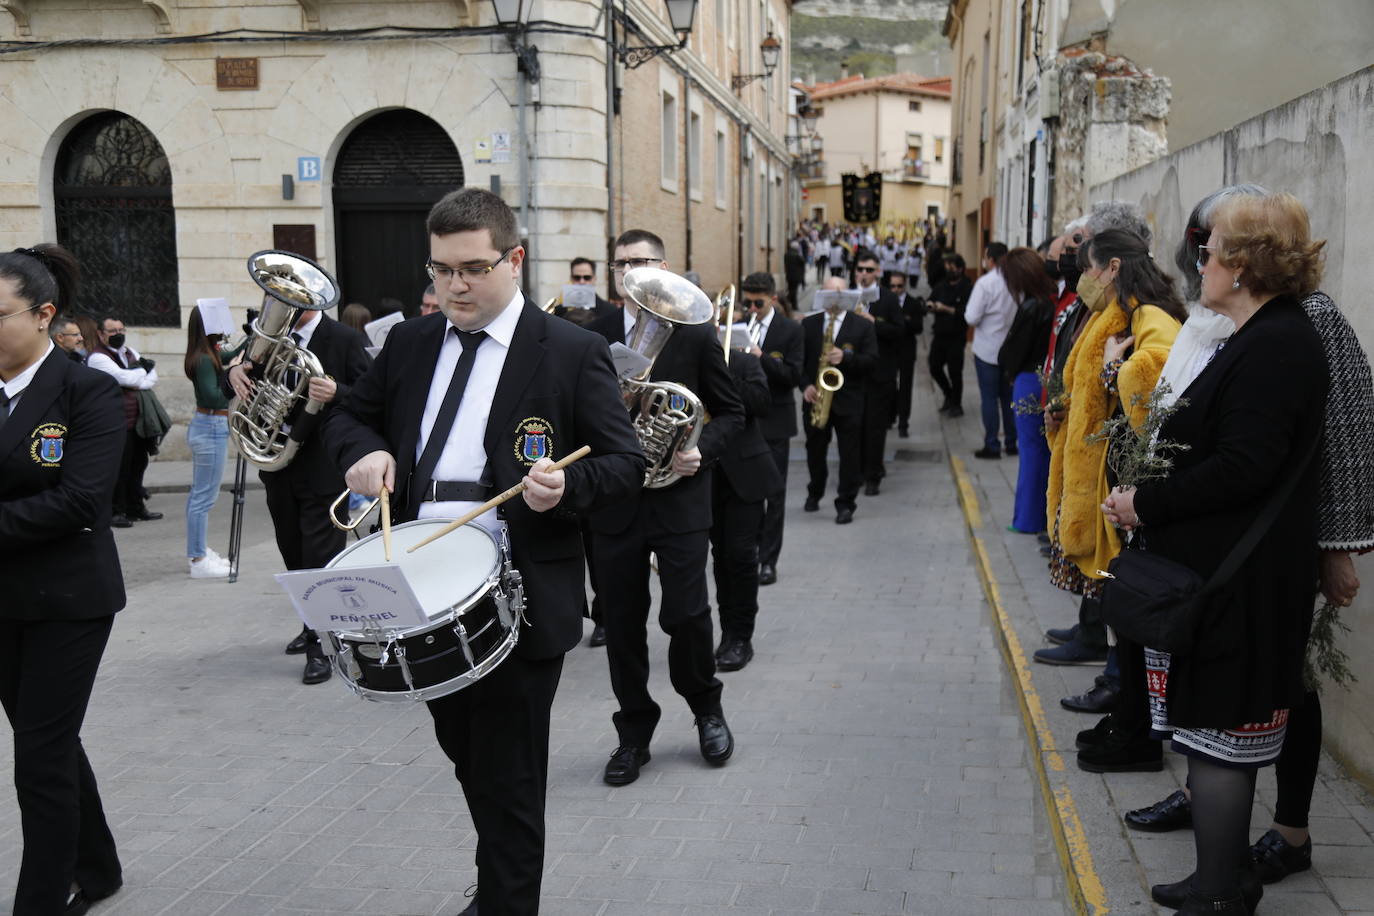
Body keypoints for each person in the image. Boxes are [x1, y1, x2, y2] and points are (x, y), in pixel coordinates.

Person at [325, 187, 644, 916]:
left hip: (515, 592)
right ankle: (498, 880)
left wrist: (564, 489)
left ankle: (506, 901)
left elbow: (624, 467)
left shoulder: (571, 351)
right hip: (420, 585)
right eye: (441, 270)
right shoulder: (409, 342)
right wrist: (366, 452)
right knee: (469, 757)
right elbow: (349, 415)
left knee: (508, 775)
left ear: (515, 260)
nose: (455, 286)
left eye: (472, 268)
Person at [1115, 188, 1374, 891]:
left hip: (1248, 571)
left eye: (1210, 249)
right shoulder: (1250, 327)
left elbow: (1257, 462)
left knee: (1235, 724)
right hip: (1223, 564)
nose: (1198, 262)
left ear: (1244, 264)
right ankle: (1220, 869)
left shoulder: (1285, 338)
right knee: (1218, 726)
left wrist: (1147, 501)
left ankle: (1231, 878)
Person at [587, 229, 745, 787]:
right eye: (623, 264)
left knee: (687, 616)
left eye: (643, 262)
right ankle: (633, 734)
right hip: (614, 503)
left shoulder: (698, 336)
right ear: (613, 273)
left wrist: (700, 448)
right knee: (623, 624)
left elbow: (730, 413)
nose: (632, 272)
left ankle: (706, 708)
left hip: (677, 499)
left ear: (664, 267)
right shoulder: (589, 334)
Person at [0, 244, 126, 916]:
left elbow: (80, 501)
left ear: (44, 315)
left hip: (70, 598)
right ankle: (98, 865)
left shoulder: (87, 389)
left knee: (39, 756)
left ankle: (42, 900)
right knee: (45, 736)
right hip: (5, 598)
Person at [1036, 230, 1185, 769]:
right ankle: (1127, 717)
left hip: (1128, 489)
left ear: (1114, 267)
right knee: (1120, 611)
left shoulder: (1149, 316)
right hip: (1108, 483)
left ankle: (1137, 733)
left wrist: (1112, 370)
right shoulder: (1123, 310)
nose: (1083, 279)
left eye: (1090, 268)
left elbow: (1160, 392)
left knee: (1130, 613)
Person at [227, 294, 371, 685]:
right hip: (279, 465)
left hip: (324, 466)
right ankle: (312, 625)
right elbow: (246, 371)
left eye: (289, 297)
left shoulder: (344, 339)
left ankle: (323, 647)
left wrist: (337, 392)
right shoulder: (271, 337)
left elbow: (373, 395)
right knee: (292, 550)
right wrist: (235, 373)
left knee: (320, 559)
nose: (276, 304)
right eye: (273, 296)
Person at [710, 320, 782, 672]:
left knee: (739, 556)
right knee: (719, 558)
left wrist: (721, 373)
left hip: (746, 475)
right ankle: (726, 632)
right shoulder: (681, 362)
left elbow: (761, 402)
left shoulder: (740, 361)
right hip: (703, 476)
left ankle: (741, 637)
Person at [741, 271, 803, 586]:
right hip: (746, 422)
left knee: (774, 494)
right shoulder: (738, 327)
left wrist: (760, 357)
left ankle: (769, 561)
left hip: (776, 422)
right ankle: (750, 552)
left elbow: (793, 375)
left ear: (773, 299)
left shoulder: (791, 330)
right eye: (747, 302)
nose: (751, 309)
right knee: (748, 494)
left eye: (758, 303)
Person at [800, 275, 877, 524]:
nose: (834, 300)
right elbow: (797, 362)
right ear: (821, 295)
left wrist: (846, 358)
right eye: (829, 293)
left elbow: (872, 361)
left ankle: (846, 503)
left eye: (839, 294)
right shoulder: (808, 324)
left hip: (849, 399)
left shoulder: (862, 326)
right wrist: (805, 386)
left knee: (849, 454)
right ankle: (815, 491)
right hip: (816, 399)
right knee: (814, 450)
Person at [995, 248, 1057, 534]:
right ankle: (1038, 516)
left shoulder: (1033, 306)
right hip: (1044, 378)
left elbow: (1010, 352)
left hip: (1027, 382)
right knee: (1042, 451)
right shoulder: (1054, 301)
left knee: (1030, 450)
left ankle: (1027, 519)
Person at [182, 305, 243, 579]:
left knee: (201, 496)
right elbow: (215, 397)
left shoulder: (206, 353)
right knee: (203, 498)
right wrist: (232, 373)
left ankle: (199, 551)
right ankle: (198, 559)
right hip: (211, 426)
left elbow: (228, 354)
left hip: (209, 426)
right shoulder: (204, 359)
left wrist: (251, 338)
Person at [86, 315, 162, 528]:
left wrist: (138, 377)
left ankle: (135, 507)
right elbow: (123, 378)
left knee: (139, 464)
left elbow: (152, 377)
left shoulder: (130, 353)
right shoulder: (97, 358)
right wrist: (141, 373)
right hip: (115, 421)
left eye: (121, 330)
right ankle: (115, 510)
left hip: (137, 422)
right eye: (112, 331)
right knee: (120, 467)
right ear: (101, 334)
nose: (118, 334)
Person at [852, 249, 903, 495]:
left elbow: (899, 331)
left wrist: (873, 322)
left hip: (880, 373)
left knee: (875, 427)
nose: (864, 274)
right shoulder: (847, 297)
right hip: (854, 372)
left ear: (878, 272)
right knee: (855, 425)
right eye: (860, 270)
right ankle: (859, 470)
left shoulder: (888, 299)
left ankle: (873, 475)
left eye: (869, 270)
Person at [965, 242, 1018, 459]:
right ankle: (1012, 443)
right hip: (1011, 349)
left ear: (991, 259)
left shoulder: (985, 283)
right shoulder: (1017, 281)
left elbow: (971, 317)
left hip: (988, 349)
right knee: (1008, 399)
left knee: (989, 399)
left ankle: (992, 444)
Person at [926, 253, 971, 417]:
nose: (949, 271)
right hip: (940, 333)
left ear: (960, 269)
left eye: (952, 268)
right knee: (934, 366)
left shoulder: (967, 286)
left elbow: (966, 311)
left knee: (955, 371)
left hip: (956, 335)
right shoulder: (941, 286)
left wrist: (946, 308)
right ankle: (948, 394)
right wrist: (930, 305)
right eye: (947, 268)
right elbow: (930, 300)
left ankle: (956, 404)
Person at [889, 271, 924, 438]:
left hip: (906, 351)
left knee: (905, 387)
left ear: (905, 285)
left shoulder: (913, 303)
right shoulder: (884, 302)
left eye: (899, 286)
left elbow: (918, 327)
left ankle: (904, 422)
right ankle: (890, 416)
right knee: (888, 385)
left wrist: (903, 321)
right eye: (893, 286)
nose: (896, 289)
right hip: (888, 351)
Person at [784, 239, 805, 309]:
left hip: (789, 275)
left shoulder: (787, 254)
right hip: (796, 276)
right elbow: (803, 263)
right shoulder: (797, 255)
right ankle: (792, 304)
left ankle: (791, 304)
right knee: (794, 291)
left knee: (791, 289)